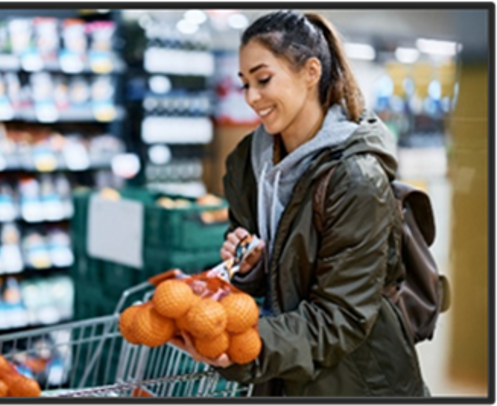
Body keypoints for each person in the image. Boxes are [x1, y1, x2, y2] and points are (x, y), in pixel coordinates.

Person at [170, 10, 430, 397]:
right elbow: (280, 274)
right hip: (286, 366)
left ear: (311, 72)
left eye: (263, 79)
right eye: (244, 84)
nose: (251, 98)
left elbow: (342, 315)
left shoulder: (355, 177)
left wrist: (241, 346)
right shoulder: (247, 163)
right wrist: (249, 269)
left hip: (357, 379)